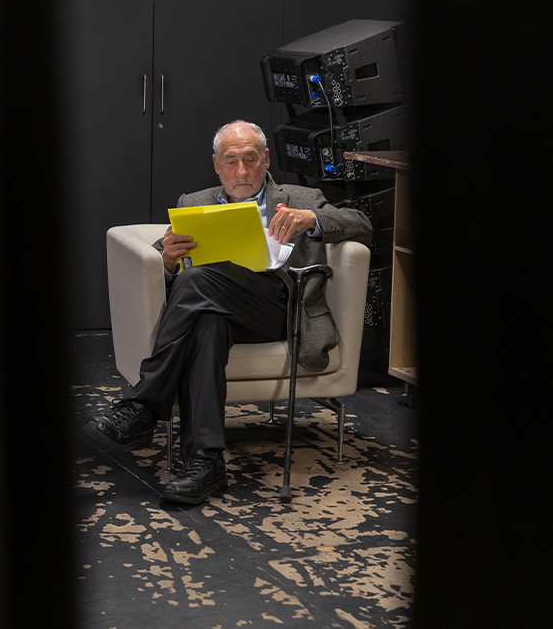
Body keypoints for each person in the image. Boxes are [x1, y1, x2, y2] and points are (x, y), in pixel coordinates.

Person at [84, 120, 373, 505]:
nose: (241, 171)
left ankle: (144, 404)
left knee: (196, 281)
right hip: (218, 306)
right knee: (207, 324)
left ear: (265, 159)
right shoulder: (193, 203)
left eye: (250, 159)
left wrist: (313, 220)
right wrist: (167, 260)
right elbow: (160, 263)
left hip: (277, 309)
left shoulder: (300, 197)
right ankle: (206, 462)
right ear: (216, 165)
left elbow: (362, 225)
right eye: (231, 161)